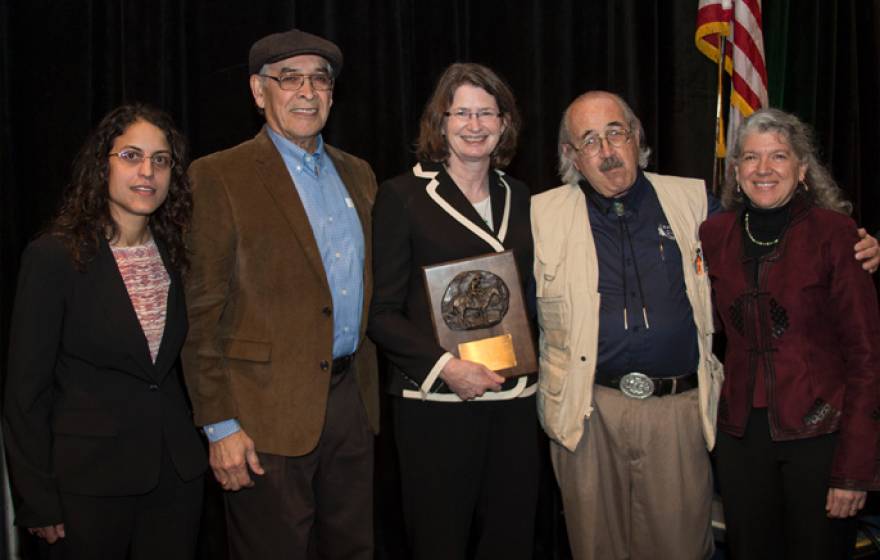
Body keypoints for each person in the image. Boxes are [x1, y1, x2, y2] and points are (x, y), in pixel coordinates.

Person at [530, 90, 880, 560]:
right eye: (589, 140)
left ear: (637, 138)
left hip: (679, 414)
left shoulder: (695, 203)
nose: (607, 150)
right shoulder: (539, 214)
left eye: (616, 132)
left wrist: (862, 246)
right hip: (586, 413)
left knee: (681, 548)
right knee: (595, 548)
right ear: (571, 155)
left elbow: (776, 231)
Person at [182, 29, 379, 559]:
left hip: (349, 404)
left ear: (333, 94)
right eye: (288, 79)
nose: (307, 92)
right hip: (261, 414)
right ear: (257, 91)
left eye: (320, 79)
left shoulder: (359, 174)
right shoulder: (218, 176)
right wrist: (219, 425)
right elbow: (199, 314)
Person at [3, 104, 206, 559]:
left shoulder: (176, 252)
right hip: (87, 483)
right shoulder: (54, 257)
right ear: (102, 165)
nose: (147, 172)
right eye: (131, 156)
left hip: (175, 477)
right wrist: (35, 498)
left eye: (161, 159)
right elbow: (25, 392)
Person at [368, 63, 540, 559]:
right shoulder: (403, 196)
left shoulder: (521, 196)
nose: (474, 124)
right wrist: (449, 369)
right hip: (439, 404)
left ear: (504, 123)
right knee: (438, 540)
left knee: (510, 539)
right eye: (461, 112)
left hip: (514, 399)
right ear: (439, 122)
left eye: (487, 112)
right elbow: (381, 312)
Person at [699, 108, 880, 559]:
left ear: (802, 169)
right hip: (741, 440)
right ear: (735, 171)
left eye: (778, 156)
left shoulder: (837, 236)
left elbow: (866, 358)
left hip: (822, 438)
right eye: (751, 158)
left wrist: (854, 470)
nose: (763, 169)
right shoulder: (713, 234)